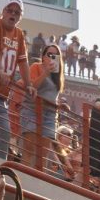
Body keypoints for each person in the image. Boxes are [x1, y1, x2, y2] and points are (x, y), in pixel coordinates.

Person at [0, 0, 31, 160]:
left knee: (4, 132)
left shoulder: (19, 34)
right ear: (3, 12)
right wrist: (1, 70)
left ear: (20, 17)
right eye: (9, 10)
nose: (12, 14)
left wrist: (29, 84)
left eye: (17, 12)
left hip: (2, 94)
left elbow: (23, 61)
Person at [25, 41, 64, 170]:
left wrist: (60, 105)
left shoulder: (57, 75)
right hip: (32, 109)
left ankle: (37, 179)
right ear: (43, 56)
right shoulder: (36, 67)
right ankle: (23, 177)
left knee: (44, 153)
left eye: (55, 55)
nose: (52, 57)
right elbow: (32, 87)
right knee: (29, 148)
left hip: (50, 113)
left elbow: (53, 95)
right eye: (49, 54)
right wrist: (45, 72)